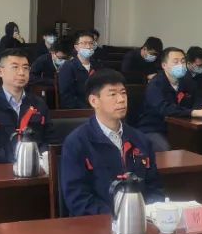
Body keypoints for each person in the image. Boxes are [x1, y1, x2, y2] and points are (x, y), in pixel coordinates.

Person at [60, 70, 165, 216]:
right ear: (94, 101)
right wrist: (117, 217)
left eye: (123, 93)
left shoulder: (141, 140)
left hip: (141, 221)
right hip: (96, 223)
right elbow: (77, 198)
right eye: (113, 94)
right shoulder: (76, 143)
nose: (121, 99)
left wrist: (150, 213)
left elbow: (154, 188)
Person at [0, 48, 50, 164]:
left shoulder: (39, 104)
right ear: (0, 72)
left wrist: (39, 158)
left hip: (35, 167)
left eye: (25, 68)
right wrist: (17, 159)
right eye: (15, 67)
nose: (21, 72)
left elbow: (49, 140)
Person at [137, 47, 202, 151]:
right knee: (166, 149)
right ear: (164, 65)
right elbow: (165, 108)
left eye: (182, 61)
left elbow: (199, 97)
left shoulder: (186, 80)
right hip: (155, 128)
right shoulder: (155, 85)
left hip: (180, 126)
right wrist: (193, 112)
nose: (180, 65)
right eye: (175, 62)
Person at [57, 30, 97, 109]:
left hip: (96, 107)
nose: (88, 46)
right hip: (77, 110)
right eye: (84, 43)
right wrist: (87, 108)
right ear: (76, 47)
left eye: (91, 43)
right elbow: (67, 97)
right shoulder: (68, 67)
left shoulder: (97, 65)